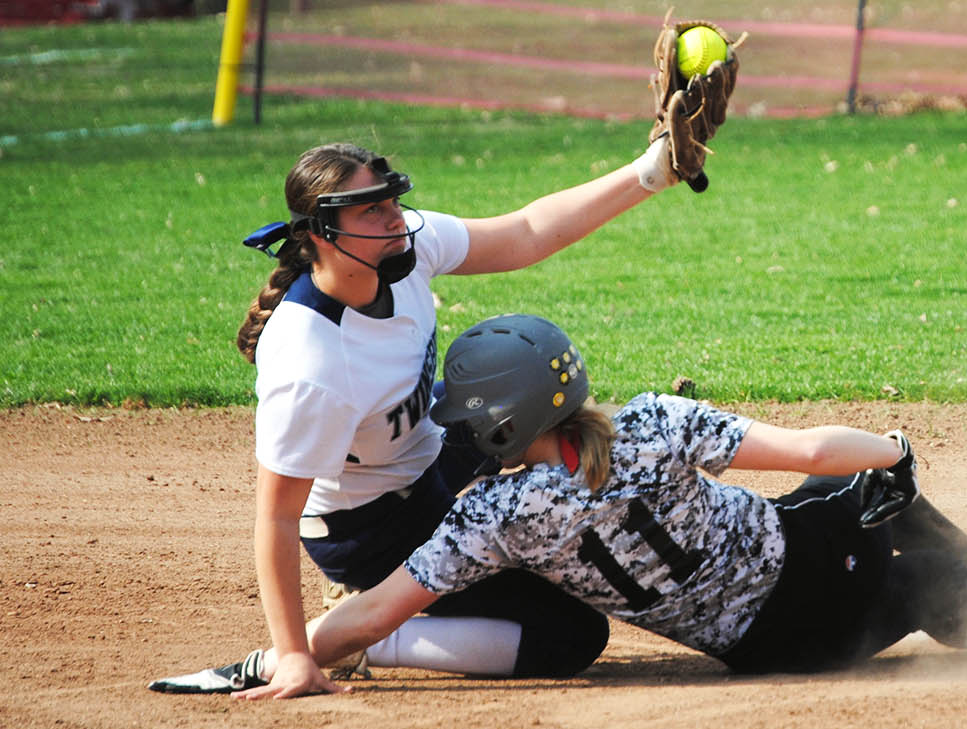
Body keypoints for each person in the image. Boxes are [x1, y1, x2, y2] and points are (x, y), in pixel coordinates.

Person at [152, 314, 967, 698]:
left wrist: (284, 652)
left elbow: (372, 609)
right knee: (872, 497)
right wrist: (895, 450)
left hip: (759, 649)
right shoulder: (653, 419)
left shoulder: (489, 520)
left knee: (859, 527)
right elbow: (815, 448)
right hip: (808, 578)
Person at [148, 133, 694, 698]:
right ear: (321, 234)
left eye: (391, 202)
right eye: (372, 210)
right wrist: (291, 655)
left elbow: (526, 232)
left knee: (528, 397)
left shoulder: (399, 252)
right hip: (369, 527)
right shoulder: (310, 363)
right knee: (571, 631)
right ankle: (364, 634)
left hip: (427, 449)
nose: (394, 220)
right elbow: (277, 518)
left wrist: (650, 171)